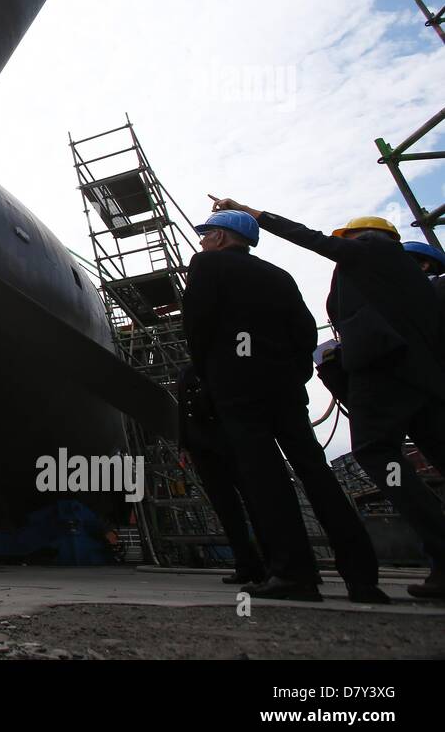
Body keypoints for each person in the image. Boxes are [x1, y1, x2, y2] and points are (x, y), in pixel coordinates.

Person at [211, 199, 445, 600]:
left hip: (384, 377)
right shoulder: (405, 286)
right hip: (422, 382)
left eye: (351, 238)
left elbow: (314, 241)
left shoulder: (374, 251)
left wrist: (256, 215)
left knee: (377, 454)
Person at [183, 209, 386, 603]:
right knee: (315, 472)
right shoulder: (279, 275)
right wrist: (292, 376)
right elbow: (305, 332)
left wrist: (211, 378)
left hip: (238, 387)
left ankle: (294, 574)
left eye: (207, 233)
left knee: (265, 477)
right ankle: (362, 577)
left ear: (223, 238)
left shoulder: (207, 265)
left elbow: (199, 326)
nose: (203, 240)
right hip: (285, 388)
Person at [176, 365, 268, 585]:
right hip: (202, 448)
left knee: (255, 504)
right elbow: (182, 411)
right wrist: (184, 445)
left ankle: (273, 563)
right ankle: (246, 564)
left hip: (230, 441)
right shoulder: (187, 372)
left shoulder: (220, 366)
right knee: (227, 509)